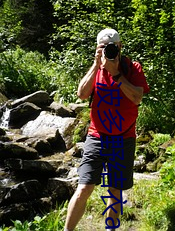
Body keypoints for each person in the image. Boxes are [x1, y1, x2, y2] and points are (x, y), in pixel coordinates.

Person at [64, 28, 150, 231]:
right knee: (84, 186)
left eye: (112, 47)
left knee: (115, 190)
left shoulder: (132, 68)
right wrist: (96, 65)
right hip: (97, 136)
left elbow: (137, 97)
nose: (108, 51)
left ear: (120, 47)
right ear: (97, 48)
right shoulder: (96, 69)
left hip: (124, 137)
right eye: (103, 47)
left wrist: (116, 74)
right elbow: (82, 94)